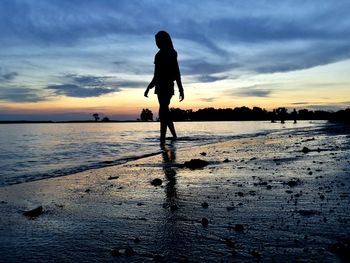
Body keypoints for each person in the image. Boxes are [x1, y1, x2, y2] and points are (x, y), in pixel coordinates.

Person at [144, 31, 184, 144]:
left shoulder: (172, 53)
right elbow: (156, 75)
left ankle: (162, 138)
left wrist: (181, 88)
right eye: (156, 41)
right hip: (160, 86)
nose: (157, 43)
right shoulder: (158, 55)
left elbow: (176, 72)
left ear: (164, 40)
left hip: (167, 85)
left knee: (163, 111)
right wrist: (149, 87)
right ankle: (173, 136)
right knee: (164, 111)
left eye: (158, 41)